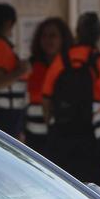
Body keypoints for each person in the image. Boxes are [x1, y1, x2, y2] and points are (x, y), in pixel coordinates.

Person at [41, 12, 100, 185]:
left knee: (62, 186)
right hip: (95, 140)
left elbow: (46, 102)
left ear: (77, 32)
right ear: (99, 34)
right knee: (93, 191)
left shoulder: (61, 61)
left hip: (62, 137)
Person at [22, 17, 72, 154]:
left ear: (63, 39)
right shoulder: (31, 66)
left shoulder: (71, 67)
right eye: (44, 36)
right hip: (33, 139)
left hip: (64, 138)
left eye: (53, 35)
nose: (48, 40)